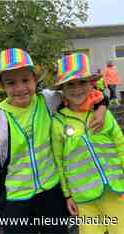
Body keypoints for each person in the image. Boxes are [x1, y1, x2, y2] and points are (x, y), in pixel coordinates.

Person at [0, 48, 106, 234]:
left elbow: (83, 95)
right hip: (16, 201)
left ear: (34, 80)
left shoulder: (48, 100)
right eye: (11, 82)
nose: (20, 88)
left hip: (52, 194)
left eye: (26, 80)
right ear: (3, 86)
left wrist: (102, 107)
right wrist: (1, 204)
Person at [52, 53, 124, 234]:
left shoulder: (103, 114)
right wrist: (67, 194)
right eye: (70, 84)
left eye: (82, 82)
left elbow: (121, 146)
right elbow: (59, 162)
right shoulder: (58, 122)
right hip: (83, 197)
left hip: (115, 191)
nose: (77, 89)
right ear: (62, 88)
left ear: (91, 84)